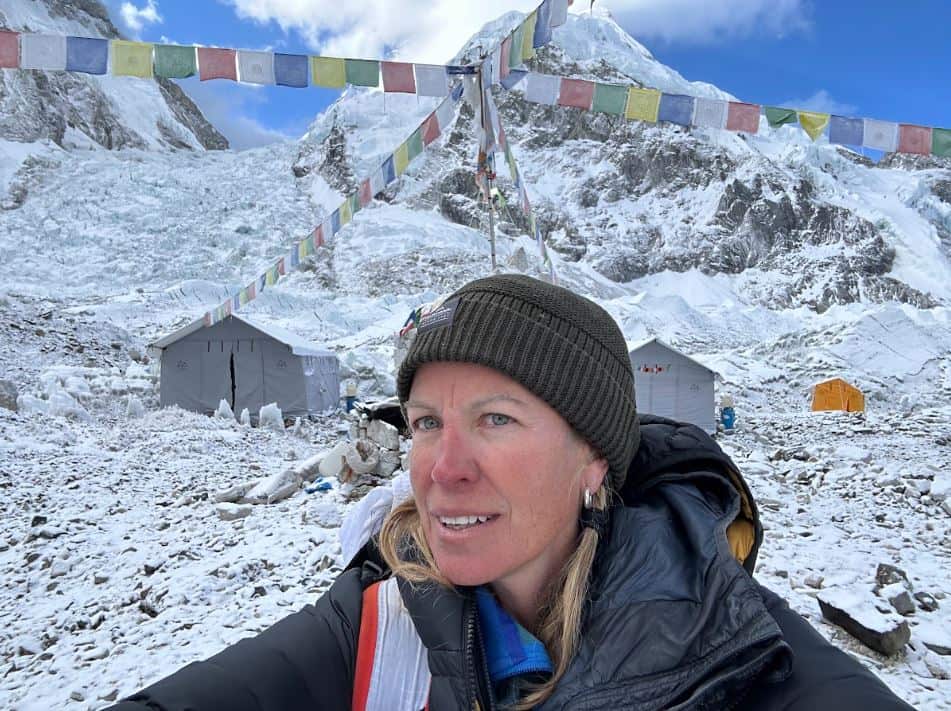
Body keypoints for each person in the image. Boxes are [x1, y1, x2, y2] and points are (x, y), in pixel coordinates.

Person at [110, 274, 915, 710]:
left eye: (494, 419)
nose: (443, 468)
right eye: (426, 423)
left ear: (594, 458)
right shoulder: (378, 619)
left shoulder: (731, 639)